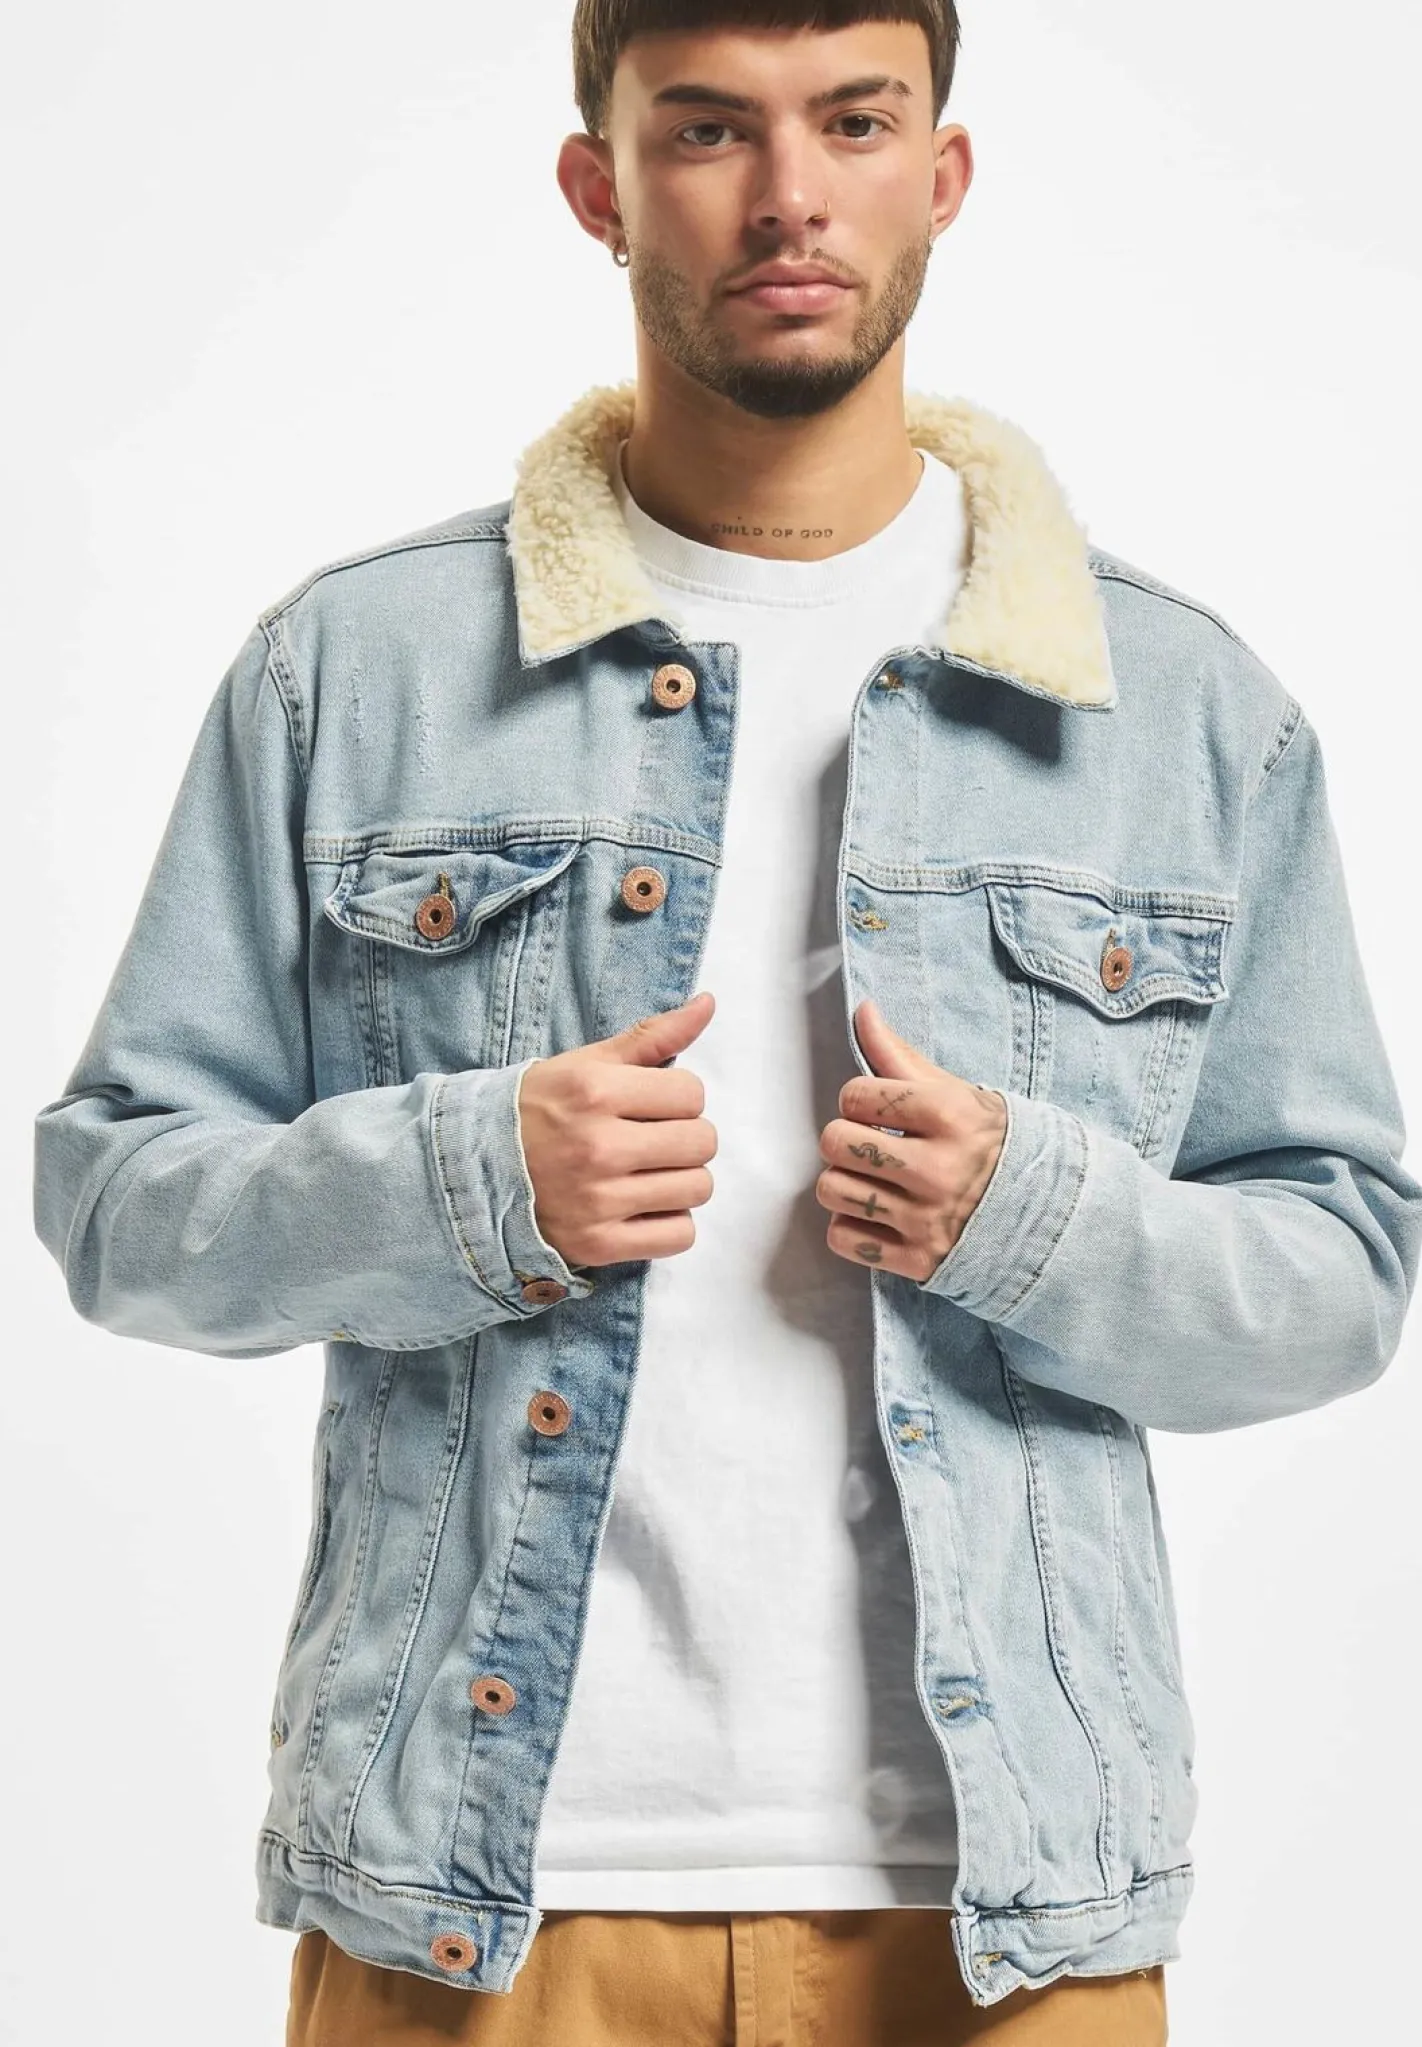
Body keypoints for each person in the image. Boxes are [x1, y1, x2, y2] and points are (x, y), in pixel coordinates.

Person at [32, 4, 1422, 2043]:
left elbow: (1342, 1271)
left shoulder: (1180, 709)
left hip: (1006, 1916)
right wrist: (464, 1181)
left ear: (942, 173)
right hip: (482, 1908)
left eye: (853, 121)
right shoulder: (359, 670)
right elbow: (119, 1203)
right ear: (595, 185)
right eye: (705, 130)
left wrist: (1035, 1218)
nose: (788, 196)